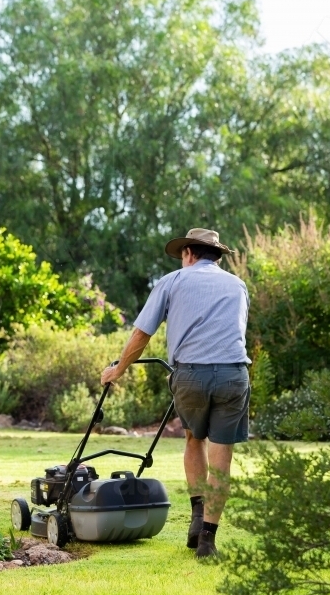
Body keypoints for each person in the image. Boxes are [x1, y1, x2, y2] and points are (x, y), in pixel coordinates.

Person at [101, 228, 250, 559]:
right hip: (232, 374)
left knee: (194, 440)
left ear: (190, 254)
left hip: (191, 375)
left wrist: (118, 370)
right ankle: (207, 540)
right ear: (216, 256)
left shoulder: (171, 282)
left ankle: (197, 515)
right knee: (222, 460)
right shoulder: (238, 286)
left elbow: (142, 335)